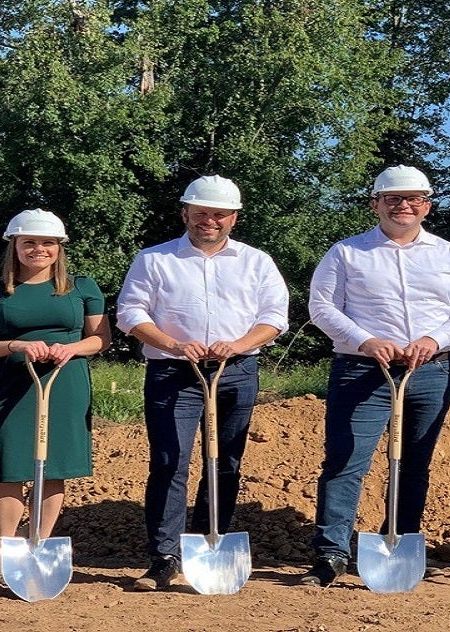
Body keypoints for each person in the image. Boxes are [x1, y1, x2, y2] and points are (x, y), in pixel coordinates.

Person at [301, 164, 450, 587]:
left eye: (414, 199)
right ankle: (331, 553)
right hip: (362, 371)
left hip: (430, 371)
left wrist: (435, 339)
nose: (404, 205)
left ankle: (400, 541)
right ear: (376, 205)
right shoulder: (346, 252)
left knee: (413, 462)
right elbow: (322, 307)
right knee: (346, 460)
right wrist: (365, 339)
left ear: (427, 206)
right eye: (393, 199)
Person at [116, 175, 289, 591]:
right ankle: (165, 556)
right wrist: (174, 344)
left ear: (234, 218)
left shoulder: (256, 261)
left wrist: (240, 344)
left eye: (219, 214)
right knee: (169, 462)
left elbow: (274, 317)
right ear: (185, 214)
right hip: (174, 372)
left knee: (225, 461)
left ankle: (210, 542)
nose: (209, 220)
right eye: (201, 213)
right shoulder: (154, 259)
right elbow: (130, 313)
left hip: (236, 371)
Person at [0, 209, 112, 583]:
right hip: (13, 384)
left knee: (53, 469)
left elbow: (101, 338)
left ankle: (39, 545)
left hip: (65, 382)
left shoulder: (82, 287)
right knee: (9, 469)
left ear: (59, 247)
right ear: (14, 245)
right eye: (28, 242)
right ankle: (6, 553)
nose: (38, 249)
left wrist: (72, 348)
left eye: (47, 243)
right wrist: (14, 345)